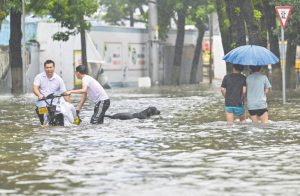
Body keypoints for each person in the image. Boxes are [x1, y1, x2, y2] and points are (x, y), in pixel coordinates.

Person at [33, 59, 72, 125]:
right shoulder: (39, 77)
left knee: (60, 119)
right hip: (42, 103)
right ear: (44, 68)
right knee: (43, 122)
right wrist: (39, 95)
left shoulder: (59, 79)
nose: (49, 69)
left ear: (54, 67)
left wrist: (69, 105)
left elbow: (64, 93)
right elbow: (35, 88)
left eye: (50, 67)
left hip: (55, 105)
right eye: (47, 68)